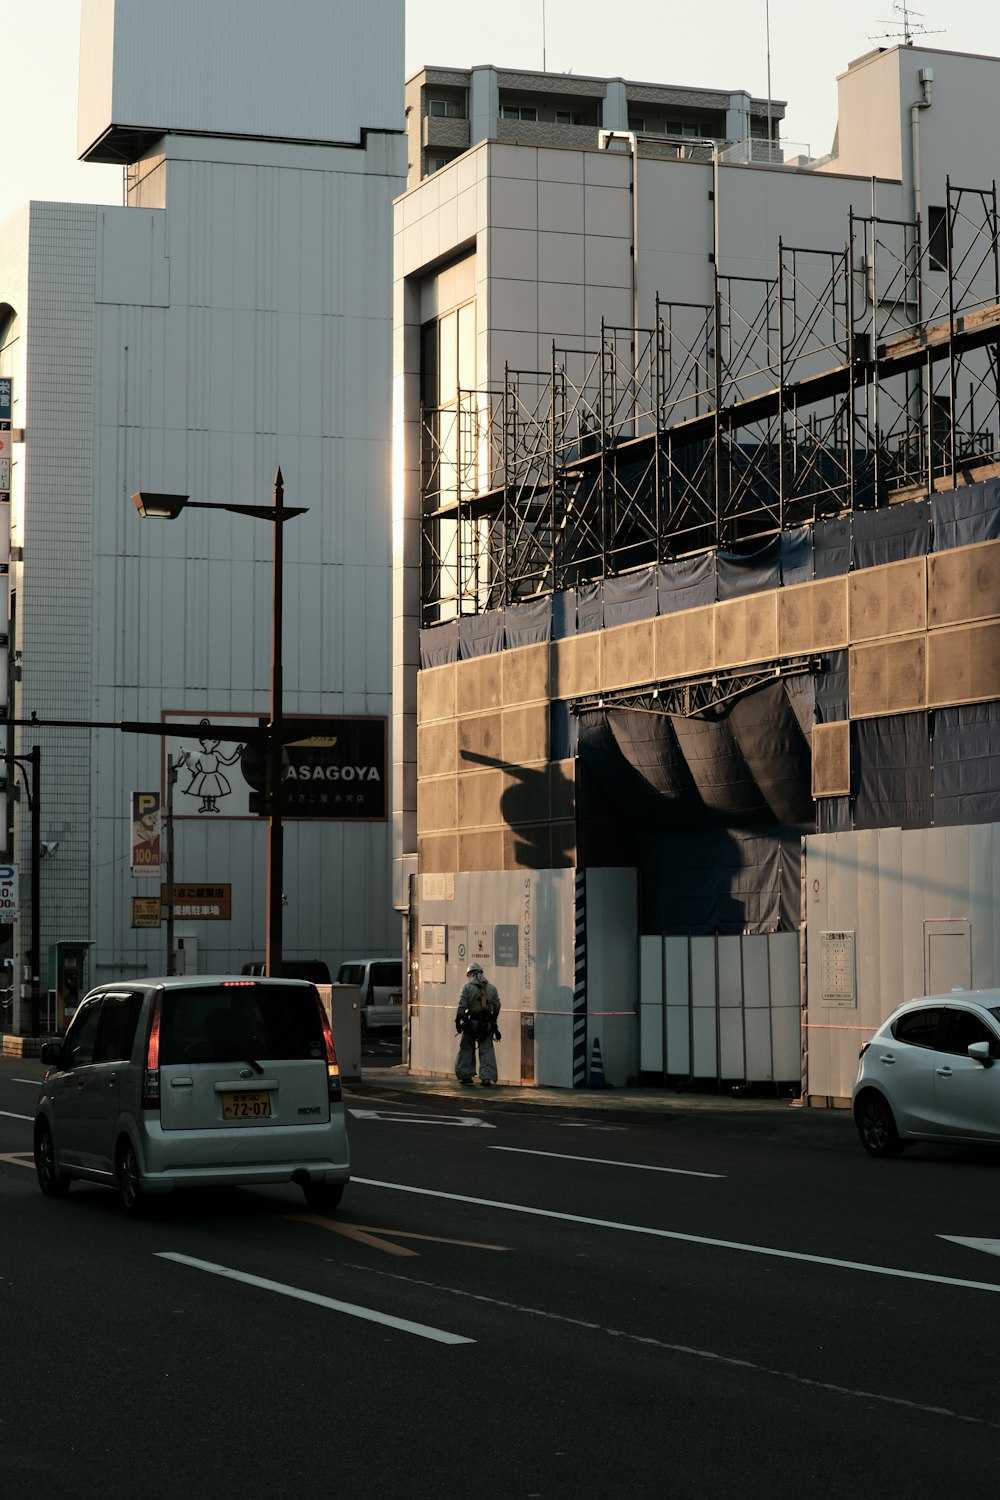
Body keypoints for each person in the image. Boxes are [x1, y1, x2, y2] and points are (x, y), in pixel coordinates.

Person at [455, 962, 501, 1086]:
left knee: (466, 1049)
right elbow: (497, 1006)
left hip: (471, 1023)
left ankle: (465, 1075)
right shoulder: (491, 988)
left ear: (470, 974)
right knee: (486, 1050)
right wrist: (494, 1021)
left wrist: (457, 1021)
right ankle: (486, 1077)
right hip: (486, 1024)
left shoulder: (467, 987)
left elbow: (462, 1005)